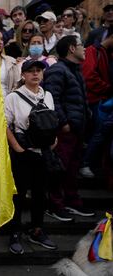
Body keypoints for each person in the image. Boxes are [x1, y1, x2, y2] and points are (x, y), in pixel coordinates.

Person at [5, 60, 57, 255]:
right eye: (31, 71)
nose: (35, 74)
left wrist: (54, 139)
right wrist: (17, 147)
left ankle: (37, 229)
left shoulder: (48, 95)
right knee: (18, 195)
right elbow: (5, 124)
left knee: (40, 194)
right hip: (23, 153)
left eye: (38, 71)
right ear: (23, 75)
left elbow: (51, 120)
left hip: (43, 152)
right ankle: (15, 232)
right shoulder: (13, 97)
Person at [43, 35, 95, 221]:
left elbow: (79, 98)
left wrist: (87, 115)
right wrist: (63, 122)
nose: (85, 49)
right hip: (65, 131)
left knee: (72, 168)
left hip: (77, 129)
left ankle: (72, 202)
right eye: (81, 45)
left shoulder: (75, 70)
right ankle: (55, 204)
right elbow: (52, 99)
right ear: (72, 49)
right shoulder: (58, 70)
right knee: (59, 167)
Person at [80, 34, 113, 177]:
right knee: (98, 133)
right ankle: (85, 164)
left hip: (102, 100)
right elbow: (89, 77)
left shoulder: (105, 53)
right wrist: (107, 88)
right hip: (95, 100)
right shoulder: (93, 51)